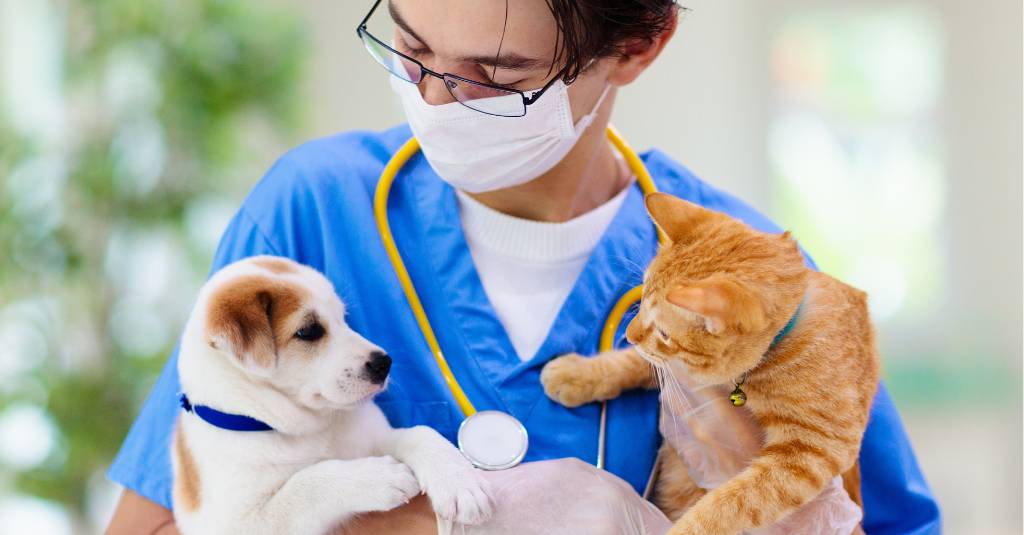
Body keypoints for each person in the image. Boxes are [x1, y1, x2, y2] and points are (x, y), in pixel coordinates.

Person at [105, 1, 941, 533]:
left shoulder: (755, 284)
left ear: (638, 45)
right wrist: (424, 523)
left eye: (497, 78)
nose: (435, 100)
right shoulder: (312, 215)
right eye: (410, 43)